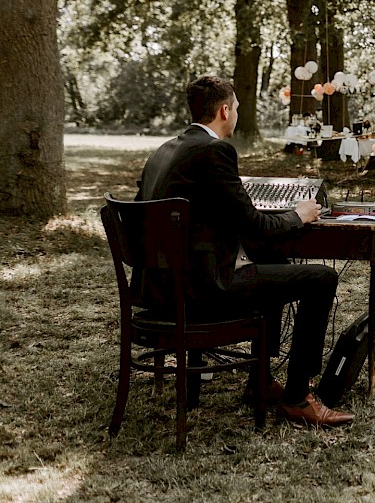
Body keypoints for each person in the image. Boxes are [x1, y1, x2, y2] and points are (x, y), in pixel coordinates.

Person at [132, 76, 352, 427]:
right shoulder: (215, 151)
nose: (235, 114)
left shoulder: (165, 150)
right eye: (235, 109)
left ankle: (260, 382)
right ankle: (297, 397)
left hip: (157, 289)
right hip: (201, 291)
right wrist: (299, 214)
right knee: (321, 278)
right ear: (224, 111)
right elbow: (254, 225)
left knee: (273, 262)